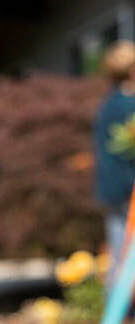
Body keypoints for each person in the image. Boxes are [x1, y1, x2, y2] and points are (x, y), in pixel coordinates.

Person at [94, 41, 135, 284]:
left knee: (119, 251)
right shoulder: (131, 106)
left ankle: (116, 311)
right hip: (129, 188)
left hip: (108, 188)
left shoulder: (106, 106)